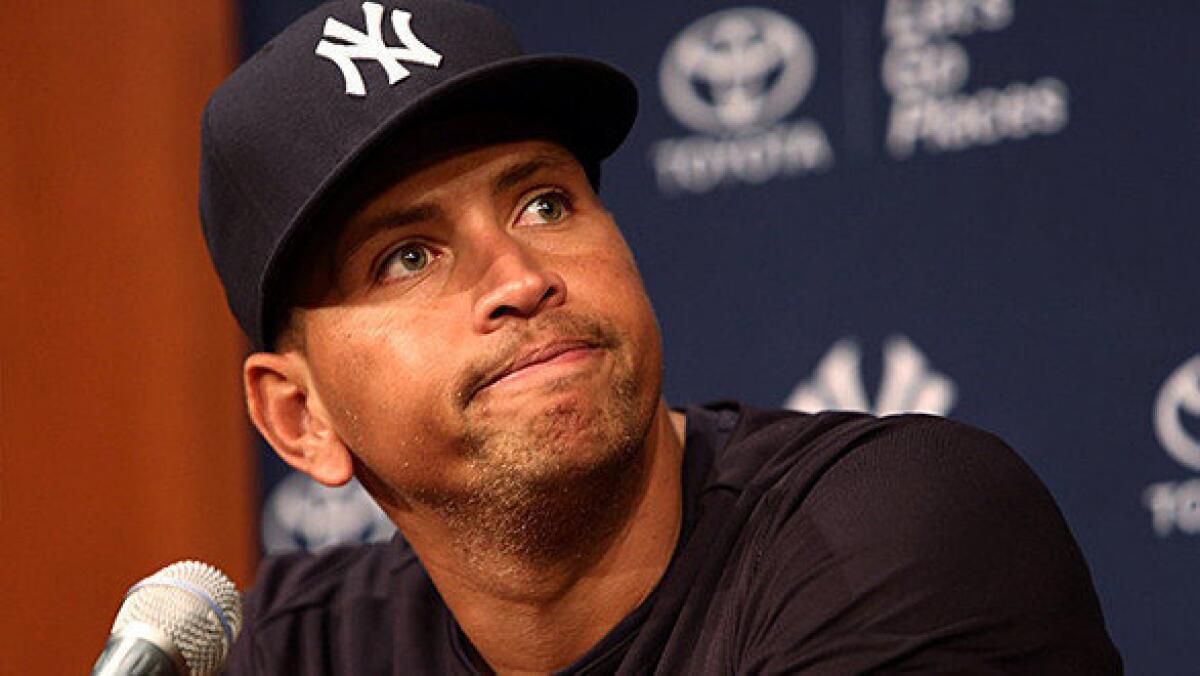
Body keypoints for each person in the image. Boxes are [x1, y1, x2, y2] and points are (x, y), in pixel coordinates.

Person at [199, 0, 1121, 672]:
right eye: (405, 257)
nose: (520, 279)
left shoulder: (894, 528)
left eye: (544, 202)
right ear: (300, 418)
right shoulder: (304, 649)